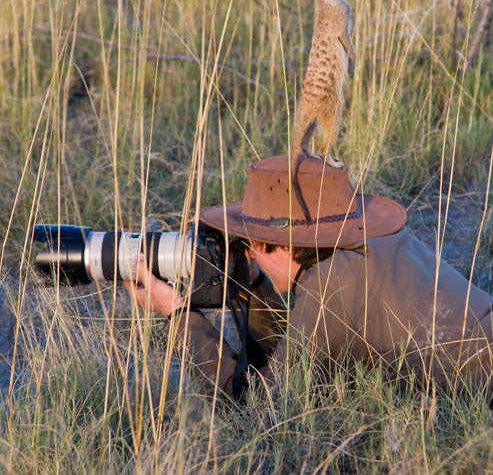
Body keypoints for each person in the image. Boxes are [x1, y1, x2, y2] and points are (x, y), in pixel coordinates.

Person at [124, 155, 493, 399]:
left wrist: (178, 314)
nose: (249, 251)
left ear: (281, 244)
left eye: (255, 244)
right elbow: (297, 349)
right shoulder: (375, 246)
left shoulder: (332, 283)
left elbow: (262, 404)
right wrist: (250, 286)